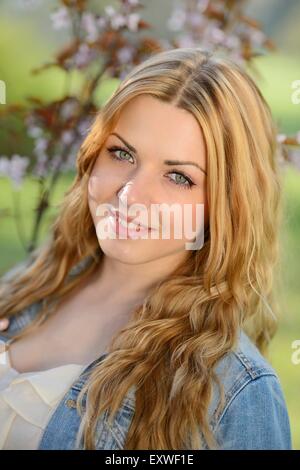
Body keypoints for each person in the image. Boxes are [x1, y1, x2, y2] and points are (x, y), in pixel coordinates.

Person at [0, 47, 292, 450]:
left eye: (178, 177)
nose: (130, 194)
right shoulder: (26, 289)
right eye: (122, 153)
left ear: (227, 204)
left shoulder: (234, 392)